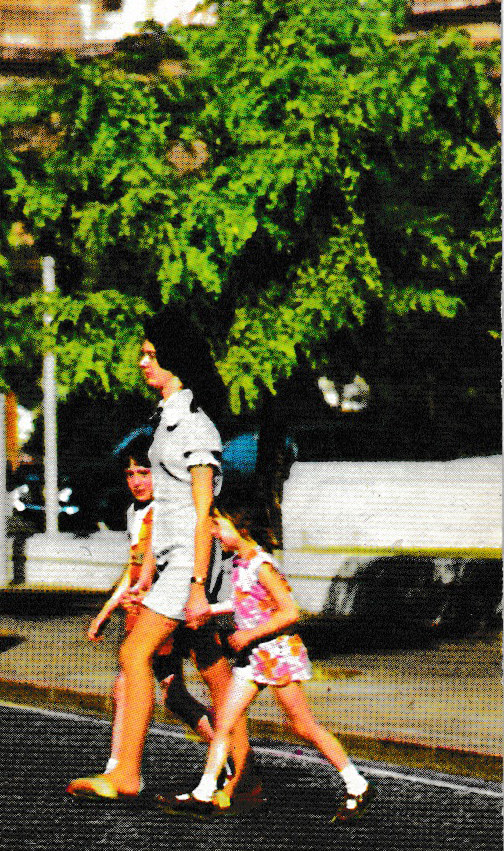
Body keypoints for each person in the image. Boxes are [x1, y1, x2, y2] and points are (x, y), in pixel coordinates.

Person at [67, 312, 250, 804]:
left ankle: (126, 773)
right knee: (213, 667)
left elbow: (201, 509)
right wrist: (147, 570)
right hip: (172, 562)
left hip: (192, 563)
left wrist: (195, 584)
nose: (142, 362)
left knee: (134, 654)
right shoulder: (166, 422)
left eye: (152, 355)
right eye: (143, 354)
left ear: (176, 361)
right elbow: (161, 509)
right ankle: (244, 780)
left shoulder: (194, 426)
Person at [160, 502, 374, 823]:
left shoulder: (262, 564)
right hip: (253, 659)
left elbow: (290, 611)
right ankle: (203, 794)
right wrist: (211, 611)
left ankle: (357, 784)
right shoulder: (239, 563)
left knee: (302, 726)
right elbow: (244, 601)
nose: (214, 533)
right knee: (224, 723)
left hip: (277, 655)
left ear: (241, 528)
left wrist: (249, 635)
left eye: (219, 526)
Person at [85, 442, 218, 773]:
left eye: (143, 473)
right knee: (173, 695)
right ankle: (233, 759)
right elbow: (133, 572)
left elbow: (174, 566)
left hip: (162, 613)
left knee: (126, 686)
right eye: (130, 474)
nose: (136, 481)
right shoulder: (136, 513)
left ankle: (119, 770)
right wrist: (105, 612)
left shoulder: (166, 512)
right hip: (143, 612)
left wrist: (149, 596)